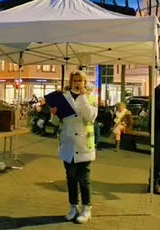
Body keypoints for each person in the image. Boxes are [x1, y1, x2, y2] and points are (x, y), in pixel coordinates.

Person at [50, 70, 97, 224]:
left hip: (84, 145)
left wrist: (83, 97)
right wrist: (54, 114)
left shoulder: (90, 97)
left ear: (84, 82)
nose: (77, 83)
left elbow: (90, 117)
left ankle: (87, 208)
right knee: (70, 178)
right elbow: (57, 122)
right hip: (68, 144)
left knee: (84, 179)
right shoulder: (63, 97)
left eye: (80, 80)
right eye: (75, 80)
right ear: (71, 81)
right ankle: (73, 207)